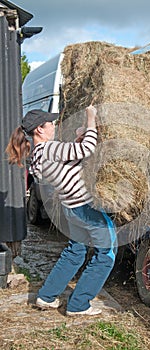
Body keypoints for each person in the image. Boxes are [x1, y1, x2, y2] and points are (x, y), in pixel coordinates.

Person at [6, 106, 117, 316]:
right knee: (107, 253)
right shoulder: (48, 149)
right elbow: (86, 151)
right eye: (50, 123)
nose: (54, 125)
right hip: (84, 207)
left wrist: (78, 139)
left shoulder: (38, 155)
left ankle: (46, 296)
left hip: (70, 208)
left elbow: (68, 162)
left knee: (75, 251)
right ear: (39, 129)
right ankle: (79, 305)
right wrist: (91, 119)